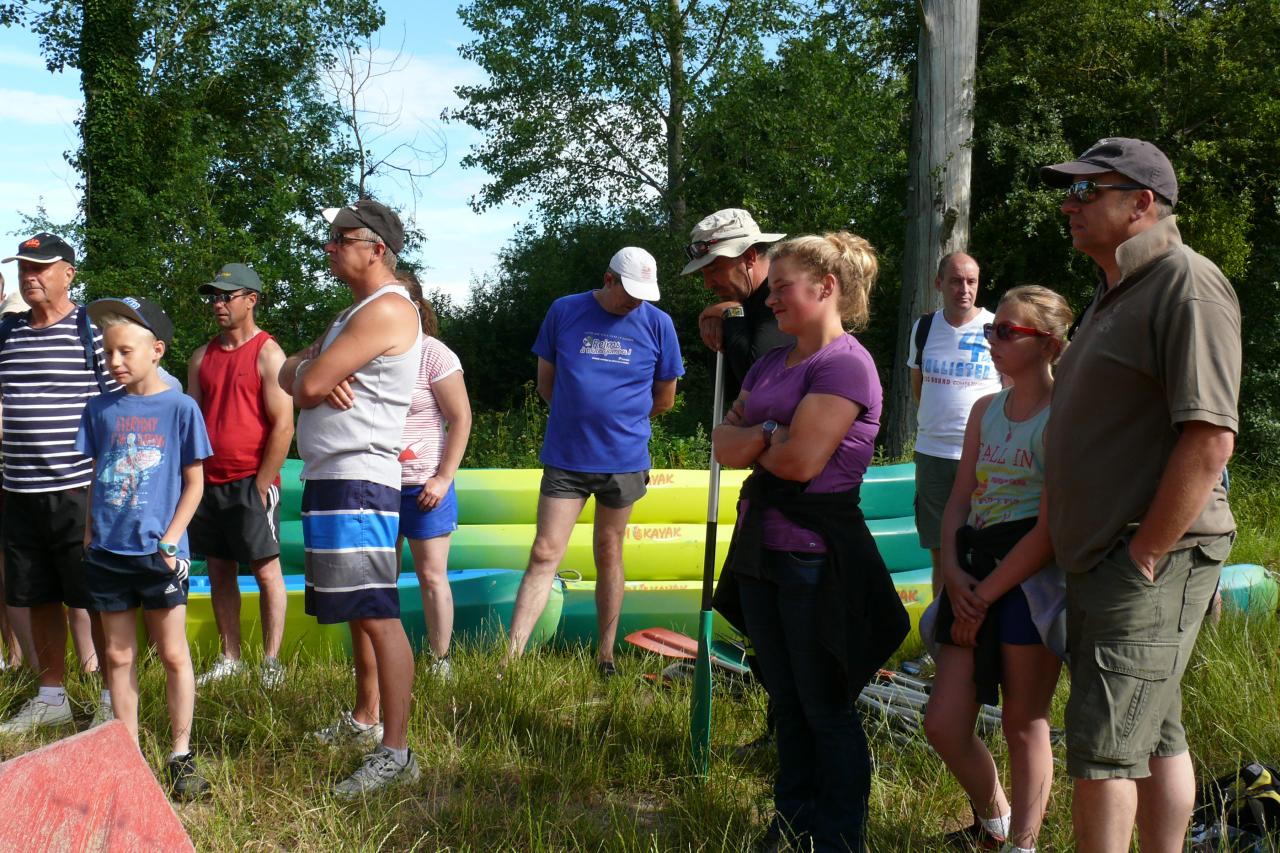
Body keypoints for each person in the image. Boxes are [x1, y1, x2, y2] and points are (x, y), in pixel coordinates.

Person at [1040, 138, 1240, 851]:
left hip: (1147, 555)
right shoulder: (1115, 290)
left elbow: (1210, 436)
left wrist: (1145, 553)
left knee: (1102, 750)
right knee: (1155, 730)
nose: (1070, 204)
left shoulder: (1187, 284)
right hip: (1104, 554)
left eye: (1088, 191)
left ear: (1142, 203)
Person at [710, 231, 909, 851]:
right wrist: (776, 428)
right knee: (787, 699)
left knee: (824, 703)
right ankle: (791, 822)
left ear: (826, 289)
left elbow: (801, 463)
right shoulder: (774, 362)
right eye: (769, 289)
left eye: (781, 288)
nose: (770, 300)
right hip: (760, 546)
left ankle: (839, 834)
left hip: (813, 554)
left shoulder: (845, 363)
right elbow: (722, 444)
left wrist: (761, 435)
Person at [278, 199, 422, 797]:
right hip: (336, 476)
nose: (330, 245)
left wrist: (314, 375)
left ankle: (397, 751)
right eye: (331, 235)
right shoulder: (352, 313)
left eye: (342, 237)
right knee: (359, 612)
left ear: (376, 248)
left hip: (359, 477)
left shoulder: (386, 309)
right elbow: (288, 372)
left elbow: (305, 383)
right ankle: (366, 719)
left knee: (377, 613)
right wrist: (315, 369)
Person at [921, 286, 1073, 853]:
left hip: (1030, 584)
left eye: (1008, 331)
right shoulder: (986, 410)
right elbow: (959, 499)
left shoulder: (1063, 418)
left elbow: (1050, 530)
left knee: (1023, 723)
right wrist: (957, 580)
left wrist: (982, 594)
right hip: (975, 570)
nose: (992, 339)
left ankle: (1023, 845)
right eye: (992, 330)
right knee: (943, 722)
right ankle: (995, 820)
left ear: (1048, 344)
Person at [504, 247, 683, 675]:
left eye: (644, 294)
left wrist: (619, 421)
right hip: (567, 456)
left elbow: (665, 399)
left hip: (624, 459)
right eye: (629, 292)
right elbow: (546, 383)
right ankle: (511, 660)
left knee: (609, 549)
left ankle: (606, 655)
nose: (635, 302)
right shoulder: (565, 311)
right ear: (608, 279)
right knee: (545, 550)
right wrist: (579, 417)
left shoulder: (659, 324)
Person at [76, 297, 212, 799]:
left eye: (124, 351)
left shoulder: (180, 408)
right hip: (109, 553)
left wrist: (173, 539)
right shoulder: (99, 408)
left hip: (160, 555)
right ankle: (127, 754)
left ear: (156, 350)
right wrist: (91, 531)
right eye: (107, 353)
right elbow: (98, 472)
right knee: (116, 653)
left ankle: (180, 755)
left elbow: (194, 483)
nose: (113, 362)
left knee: (174, 653)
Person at [682, 208, 795, 755]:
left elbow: (764, 395)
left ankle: (793, 736)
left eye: (714, 267)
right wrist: (724, 309)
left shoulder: (779, 316)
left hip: (797, 495)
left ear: (752, 257)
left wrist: (730, 317)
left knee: (776, 618)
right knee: (756, 610)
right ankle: (782, 730)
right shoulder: (752, 309)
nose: (707, 277)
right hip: (763, 485)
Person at [0, 233, 113, 733]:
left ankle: (113, 698)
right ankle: (51, 695)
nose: (30, 276)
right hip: (18, 490)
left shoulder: (90, 330)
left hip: (78, 490)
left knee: (95, 598)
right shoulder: (7, 332)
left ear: (69, 273)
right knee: (38, 594)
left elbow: (117, 407)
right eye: (24, 267)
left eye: (41, 267)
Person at [187, 263, 294, 688]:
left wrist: (263, 484)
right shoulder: (201, 357)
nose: (217, 304)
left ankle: (271, 663)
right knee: (218, 569)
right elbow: (190, 424)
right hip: (210, 483)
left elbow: (284, 425)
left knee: (267, 570)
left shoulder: (269, 353)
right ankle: (229, 657)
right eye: (213, 296)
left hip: (253, 479)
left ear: (251, 300)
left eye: (226, 296)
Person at [907, 252, 1002, 593]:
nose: (964, 289)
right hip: (933, 456)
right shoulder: (925, 327)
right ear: (938, 283)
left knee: (984, 549)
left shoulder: (995, 328)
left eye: (971, 281)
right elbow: (919, 384)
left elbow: (1012, 391)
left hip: (983, 457)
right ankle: (939, 639)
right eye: (956, 281)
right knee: (941, 553)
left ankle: (980, 636)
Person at [393, 270, 471, 678]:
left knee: (431, 576)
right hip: (376, 484)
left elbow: (461, 419)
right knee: (378, 578)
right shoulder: (370, 352)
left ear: (417, 307)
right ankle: (383, 658)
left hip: (425, 485)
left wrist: (442, 478)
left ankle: (441, 661)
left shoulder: (435, 354)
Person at [681, 208, 792, 405]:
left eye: (714, 269)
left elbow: (759, 378)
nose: (707, 284)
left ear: (749, 257)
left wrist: (732, 313)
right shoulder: (743, 303)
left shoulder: (785, 300)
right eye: (703, 274)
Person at [0, 274, 36, 672]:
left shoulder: (12, 324)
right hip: (17, 475)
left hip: (24, 473)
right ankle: (19, 662)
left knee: (15, 574)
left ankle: (21, 659)